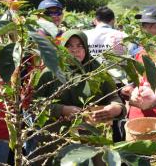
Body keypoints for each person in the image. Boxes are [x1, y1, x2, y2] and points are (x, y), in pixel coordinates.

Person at [30, 30, 125, 165]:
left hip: (92, 138)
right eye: (69, 46)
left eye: (80, 46)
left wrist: (115, 109)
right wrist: (61, 109)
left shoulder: (97, 70)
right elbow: (34, 105)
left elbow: (113, 98)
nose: (75, 50)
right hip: (57, 138)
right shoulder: (49, 72)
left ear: (86, 48)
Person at [124, 5, 156, 119]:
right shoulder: (140, 50)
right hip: (138, 115)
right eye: (144, 26)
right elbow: (138, 78)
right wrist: (131, 87)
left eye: (152, 26)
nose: (147, 31)